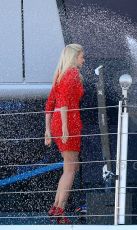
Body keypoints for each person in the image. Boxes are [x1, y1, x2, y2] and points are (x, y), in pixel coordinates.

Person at [44, 44, 85, 224]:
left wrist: (48, 129)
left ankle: (56, 207)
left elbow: (50, 104)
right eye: (82, 56)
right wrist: (66, 129)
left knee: (70, 167)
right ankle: (59, 210)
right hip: (68, 122)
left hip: (58, 122)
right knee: (70, 169)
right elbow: (65, 103)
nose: (84, 60)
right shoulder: (72, 73)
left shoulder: (59, 74)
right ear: (74, 57)